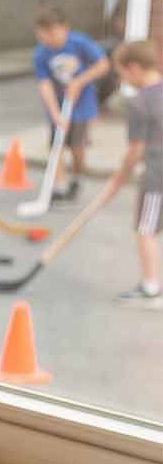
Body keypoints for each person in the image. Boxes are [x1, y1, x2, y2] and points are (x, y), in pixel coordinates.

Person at [83, 40, 162, 308]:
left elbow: (135, 151)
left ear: (135, 68)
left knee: (145, 229)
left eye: (122, 74)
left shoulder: (141, 102)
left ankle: (151, 289)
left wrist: (119, 179)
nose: (122, 80)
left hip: (157, 175)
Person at [32, 5, 110, 204]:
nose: (48, 39)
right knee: (56, 145)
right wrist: (54, 112)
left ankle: (77, 176)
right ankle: (58, 186)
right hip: (58, 104)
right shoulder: (41, 54)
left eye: (52, 33)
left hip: (82, 105)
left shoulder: (79, 43)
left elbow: (103, 65)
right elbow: (44, 85)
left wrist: (80, 81)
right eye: (43, 35)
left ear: (64, 28)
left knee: (77, 146)